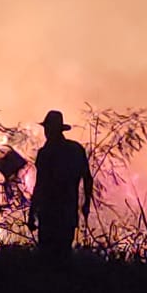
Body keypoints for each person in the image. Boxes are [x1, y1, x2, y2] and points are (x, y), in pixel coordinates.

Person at [28, 110, 93, 257]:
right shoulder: (76, 150)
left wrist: (32, 212)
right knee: (63, 254)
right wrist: (86, 203)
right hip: (67, 212)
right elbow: (87, 178)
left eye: (48, 128)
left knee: (47, 256)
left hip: (49, 213)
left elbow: (40, 185)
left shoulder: (45, 153)